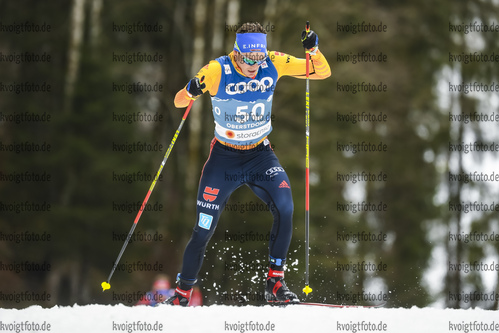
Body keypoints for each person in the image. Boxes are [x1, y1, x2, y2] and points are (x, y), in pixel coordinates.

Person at [165, 22, 330, 306]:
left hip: (260, 155)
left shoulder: (274, 62)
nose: (255, 64)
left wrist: (313, 48)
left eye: (260, 58)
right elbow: (179, 101)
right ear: (237, 53)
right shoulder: (217, 70)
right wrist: (191, 90)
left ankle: (275, 283)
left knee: (286, 207)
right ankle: (182, 294)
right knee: (203, 229)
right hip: (224, 160)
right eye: (249, 58)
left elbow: (322, 71)